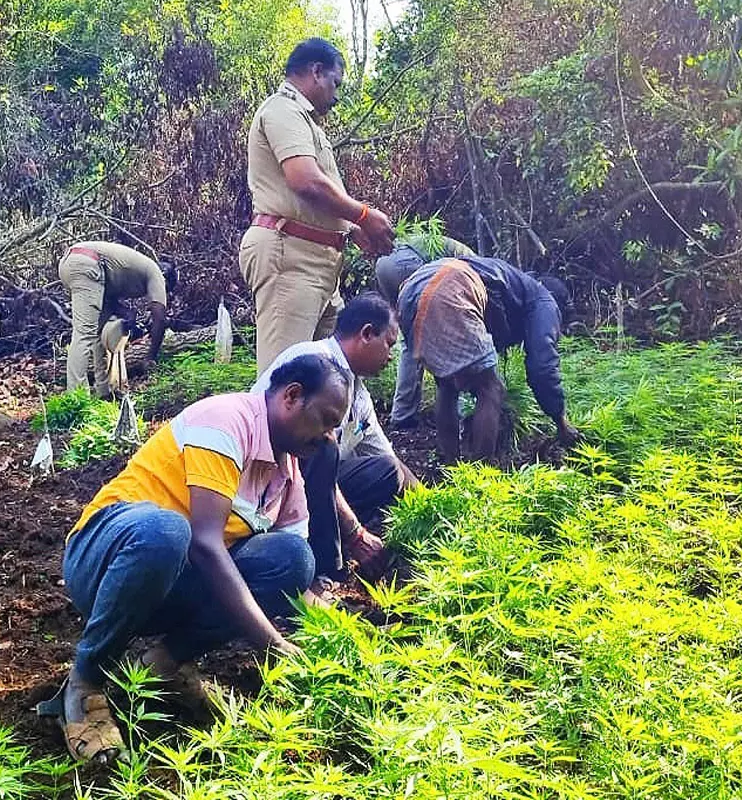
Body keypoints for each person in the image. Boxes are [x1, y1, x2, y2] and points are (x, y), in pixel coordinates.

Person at [57, 354, 351, 764]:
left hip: (171, 579)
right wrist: (272, 643)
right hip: (106, 559)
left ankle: (161, 663)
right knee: (170, 532)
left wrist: (345, 635)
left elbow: (291, 572)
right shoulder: (227, 420)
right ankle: (84, 681)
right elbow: (206, 545)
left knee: (293, 558)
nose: (328, 437)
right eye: (326, 419)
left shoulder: (287, 472)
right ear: (292, 396)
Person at [240, 37, 396, 374]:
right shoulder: (282, 110)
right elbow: (305, 180)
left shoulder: (306, 122)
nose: (336, 96)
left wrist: (353, 229)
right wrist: (364, 215)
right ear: (316, 71)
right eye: (335, 83)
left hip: (319, 264)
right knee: (284, 380)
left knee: (332, 376)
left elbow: (310, 195)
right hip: (291, 257)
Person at [250, 294, 420, 580]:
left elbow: (383, 454)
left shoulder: (356, 389)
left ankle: (334, 538)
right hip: (269, 477)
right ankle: (327, 569)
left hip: (314, 481)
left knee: (388, 472)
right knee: (323, 447)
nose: (391, 356)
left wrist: (434, 504)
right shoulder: (314, 363)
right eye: (389, 344)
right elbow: (307, 452)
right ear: (366, 334)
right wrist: (355, 533)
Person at [396, 257, 584, 461]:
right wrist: (560, 420)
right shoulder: (544, 301)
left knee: (447, 384)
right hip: (451, 287)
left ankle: (449, 465)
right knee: (491, 388)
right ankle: (481, 476)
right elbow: (542, 368)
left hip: (412, 289)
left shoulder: (517, 285)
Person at [373, 232, 476, 430]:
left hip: (385, 264)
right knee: (451, 343)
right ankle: (462, 415)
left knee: (411, 343)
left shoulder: (453, 248)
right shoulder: (476, 264)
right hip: (410, 264)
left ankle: (402, 415)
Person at [59, 241, 175, 396]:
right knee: (84, 335)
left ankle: (103, 391)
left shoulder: (134, 270)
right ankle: (76, 399)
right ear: (166, 281)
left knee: (96, 334)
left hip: (75, 262)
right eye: (165, 291)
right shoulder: (156, 272)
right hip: (88, 265)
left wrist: (127, 312)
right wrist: (151, 356)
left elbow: (108, 298)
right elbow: (159, 318)